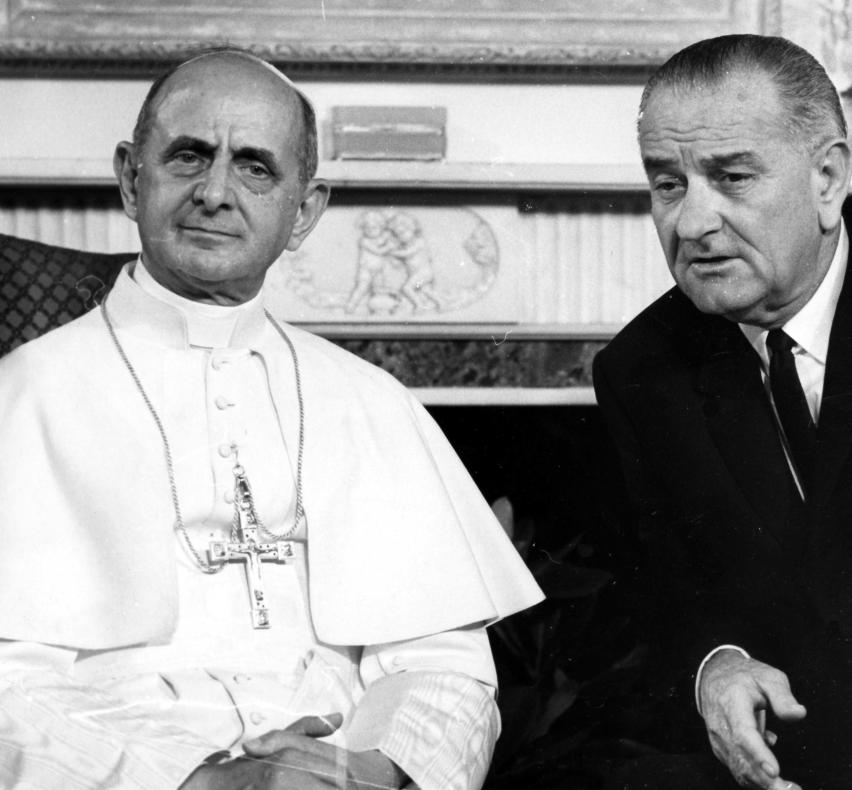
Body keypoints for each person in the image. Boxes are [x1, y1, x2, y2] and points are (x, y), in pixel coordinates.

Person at [0, 49, 543, 789]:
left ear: (304, 212)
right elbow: (10, 692)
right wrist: (196, 782)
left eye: (255, 167)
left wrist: (369, 770)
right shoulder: (23, 395)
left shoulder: (370, 399)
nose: (216, 192)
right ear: (132, 178)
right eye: (189, 156)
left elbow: (442, 667)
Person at [593, 34, 852, 790]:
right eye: (668, 184)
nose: (691, 222)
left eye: (731, 178)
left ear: (827, 178)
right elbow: (662, 604)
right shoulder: (642, 373)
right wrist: (715, 668)